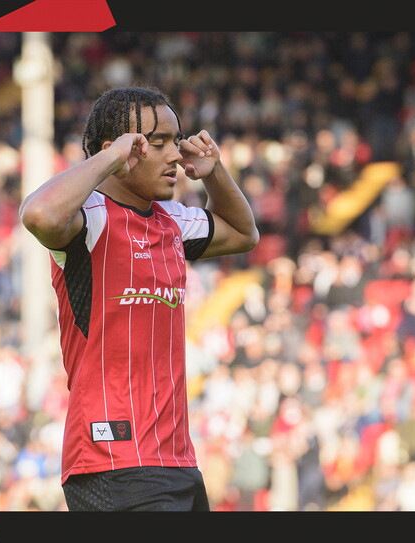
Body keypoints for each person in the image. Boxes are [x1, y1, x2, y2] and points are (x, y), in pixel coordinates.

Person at [19, 85, 259, 511]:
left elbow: (244, 234)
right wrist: (110, 157)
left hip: (179, 462)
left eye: (176, 140)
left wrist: (216, 172)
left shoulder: (173, 222)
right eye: (158, 143)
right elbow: (38, 214)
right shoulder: (85, 219)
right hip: (110, 460)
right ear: (120, 151)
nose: (175, 156)